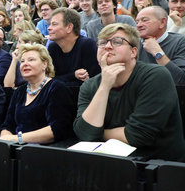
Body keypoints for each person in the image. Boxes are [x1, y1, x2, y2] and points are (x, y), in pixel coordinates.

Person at [74, 23, 185, 162]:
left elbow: (137, 136)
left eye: (117, 42)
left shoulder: (156, 76)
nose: (107, 46)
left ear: (133, 52)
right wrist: (104, 86)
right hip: (112, 163)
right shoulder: (90, 85)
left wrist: (98, 133)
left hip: (159, 166)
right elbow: (84, 134)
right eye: (102, 42)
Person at [0, 44, 75, 143]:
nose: (25, 64)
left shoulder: (57, 88)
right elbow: (7, 125)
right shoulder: (19, 91)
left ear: (44, 64)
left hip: (44, 151)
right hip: (16, 148)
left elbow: (58, 129)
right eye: (22, 61)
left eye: (31, 60)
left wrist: (18, 139)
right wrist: (5, 140)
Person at [48, 8, 100, 86]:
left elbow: (91, 82)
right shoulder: (53, 48)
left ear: (69, 28)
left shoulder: (87, 45)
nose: (49, 28)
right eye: (50, 24)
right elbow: (49, 81)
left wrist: (62, 80)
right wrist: (73, 75)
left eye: (54, 24)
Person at [136, 6, 185, 84]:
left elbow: (180, 80)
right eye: (137, 22)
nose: (139, 25)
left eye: (144, 20)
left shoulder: (180, 42)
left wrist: (157, 53)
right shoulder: (133, 44)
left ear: (162, 22)